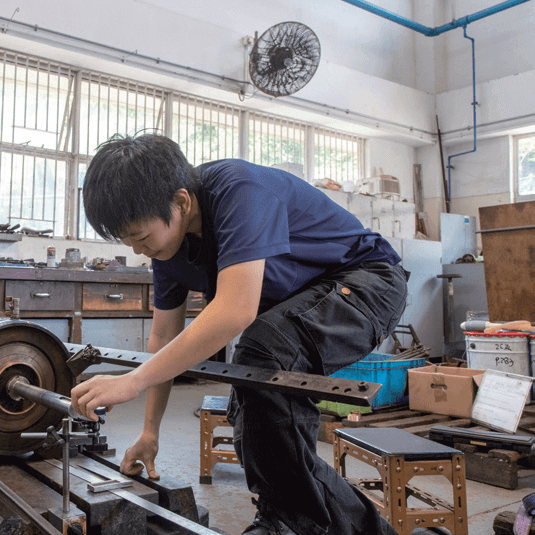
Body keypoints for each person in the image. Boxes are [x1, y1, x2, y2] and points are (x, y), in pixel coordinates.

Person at [71, 134, 408, 535]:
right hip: (299, 305)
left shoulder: (238, 191)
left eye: (142, 238)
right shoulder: (168, 249)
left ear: (181, 202)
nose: (140, 251)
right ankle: (286, 516)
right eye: (128, 242)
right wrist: (149, 431)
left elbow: (235, 311)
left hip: (368, 282)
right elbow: (163, 338)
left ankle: (286, 520)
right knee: (255, 396)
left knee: (261, 349)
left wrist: (132, 381)